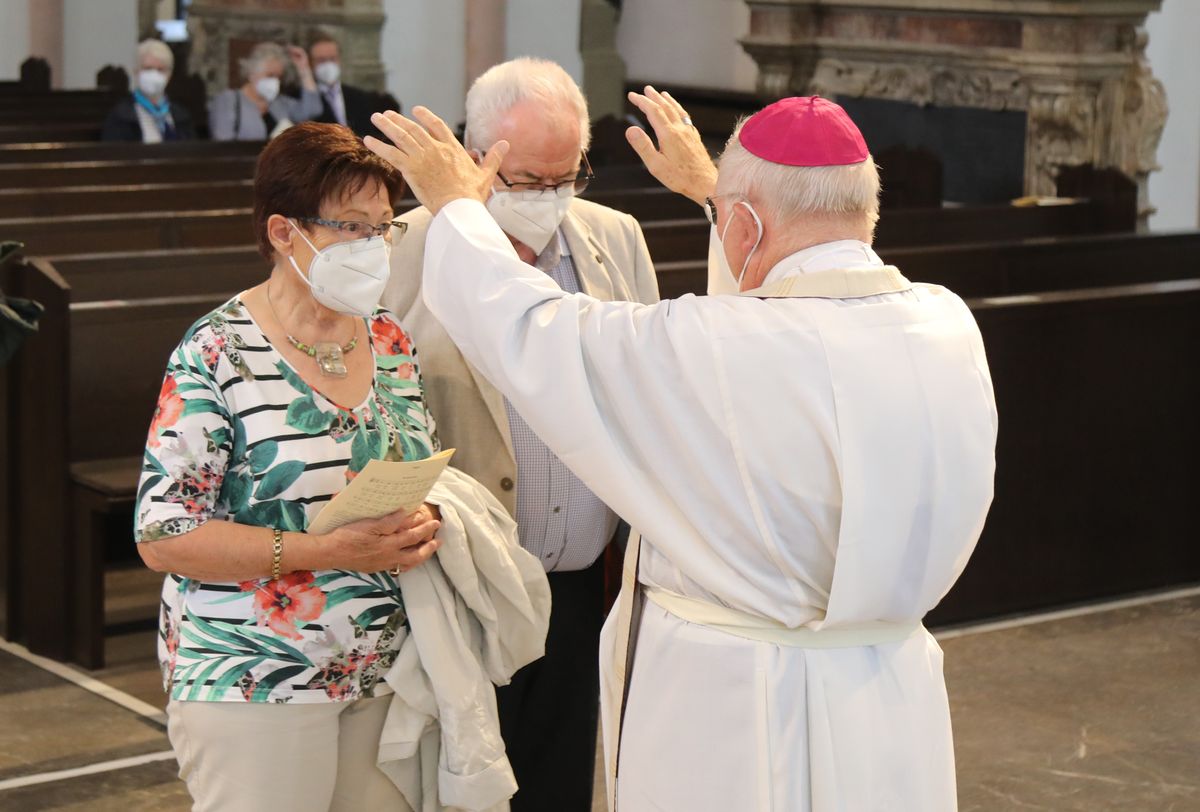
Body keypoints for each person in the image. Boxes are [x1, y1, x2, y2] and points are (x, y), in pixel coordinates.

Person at [364, 91, 998, 811]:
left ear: (745, 225)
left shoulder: (707, 344)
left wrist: (457, 206)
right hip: (885, 685)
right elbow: (765, 318)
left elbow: (529, 324)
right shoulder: (946, 326)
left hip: (733, 699)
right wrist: (719, 197)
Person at [134, 121, 477, 811]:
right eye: (351, 227)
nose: (373, 246)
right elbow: (164, 536)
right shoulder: (216, 351)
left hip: (387, 670)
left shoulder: (387, 335)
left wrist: (426, 515)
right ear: (284, 232)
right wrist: (327, 550)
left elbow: (417, 464)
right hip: (254, 674)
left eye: (383, 227)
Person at [381, 56, 658, 811]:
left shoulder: (615, 238)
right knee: (461, 786)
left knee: (560, 785)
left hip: (580, 584)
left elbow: (643, 384)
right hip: (461, 583)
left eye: (567, 178)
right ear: (475, 158)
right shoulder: (403, 247)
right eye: (530, 181)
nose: (549, 199)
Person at [209, 41, 322, 141]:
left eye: (278, 77)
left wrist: (304, 69)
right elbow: (222, 144)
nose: (275, 81)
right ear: (252, 73)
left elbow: (313, 110)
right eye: (270, 75)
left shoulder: (280, 103)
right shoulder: (229, 100)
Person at [308, 31, 400, 140]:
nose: (328, 65)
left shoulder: (358, 96)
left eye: (332, 59)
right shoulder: (307, 100)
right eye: (321, 60)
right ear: (310, 63)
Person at [101, 39, 195, 142]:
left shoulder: (181, 116)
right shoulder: (120, 116)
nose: (154, 75)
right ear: (136, 72)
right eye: (148, 68)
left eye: (160, 69)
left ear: (169, 75)